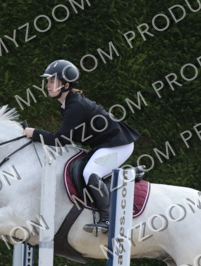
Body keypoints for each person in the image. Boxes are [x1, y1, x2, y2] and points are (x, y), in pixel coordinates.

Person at [23, 59, 143, 233]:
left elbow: (60, 140)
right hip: (106, 144)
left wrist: (34, 133)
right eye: (48, 81)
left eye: (52, 81)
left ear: (66, 85)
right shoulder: (69, 103)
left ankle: (108, 219)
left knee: (90, 173)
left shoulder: (75, 106)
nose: (47, 85)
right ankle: (127, 175)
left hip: (118, 145)